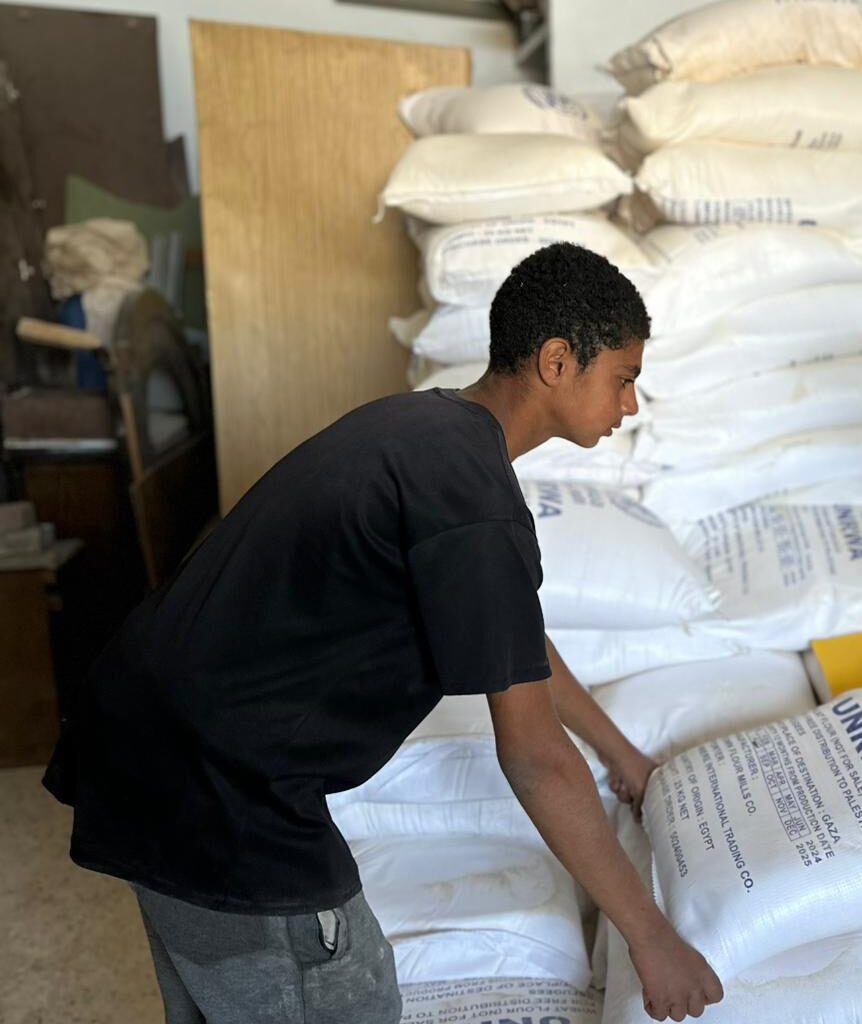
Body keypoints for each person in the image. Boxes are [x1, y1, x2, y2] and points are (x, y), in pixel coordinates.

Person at [44, 243, 723, 1024]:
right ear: (558, 361)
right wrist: (650, 936)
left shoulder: (425, 429)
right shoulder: (472, 502)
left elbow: (518, 642)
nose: (630, 405)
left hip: (139, 737)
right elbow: (534, 757)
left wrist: (625, 757)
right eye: (625, 377)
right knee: (346, 999)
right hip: (219, 789)